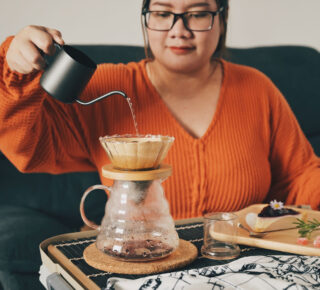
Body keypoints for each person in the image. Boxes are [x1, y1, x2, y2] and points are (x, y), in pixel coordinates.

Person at [0, 0, 319, 222]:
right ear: (145, 20)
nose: (179, 30)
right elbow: (30, 149)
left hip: (240, 264)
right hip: (141, 263)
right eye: (163, 13)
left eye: (197, 14)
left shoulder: (256, 88)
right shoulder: (105, 86)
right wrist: (15, 71)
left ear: (221, 20)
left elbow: (298, 177)